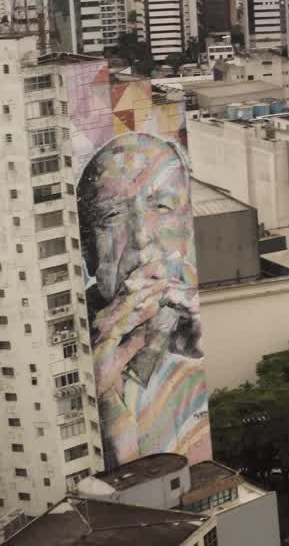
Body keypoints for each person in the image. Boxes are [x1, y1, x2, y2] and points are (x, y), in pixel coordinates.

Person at [77, 131, 210, 469]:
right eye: (112, 216)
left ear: (187, 226)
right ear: (87, 249)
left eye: (162, 207)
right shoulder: (77, 352)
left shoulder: (196, 335)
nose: (140, 235)